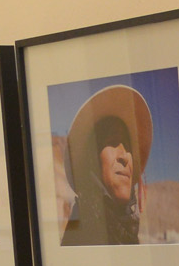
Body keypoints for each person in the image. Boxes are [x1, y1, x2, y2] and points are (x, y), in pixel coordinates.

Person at [60, 83, 150, 246]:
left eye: (128, 147)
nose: (124, 156)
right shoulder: (81, 235)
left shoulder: (125, 231)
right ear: (93, 160)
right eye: (113, 141)